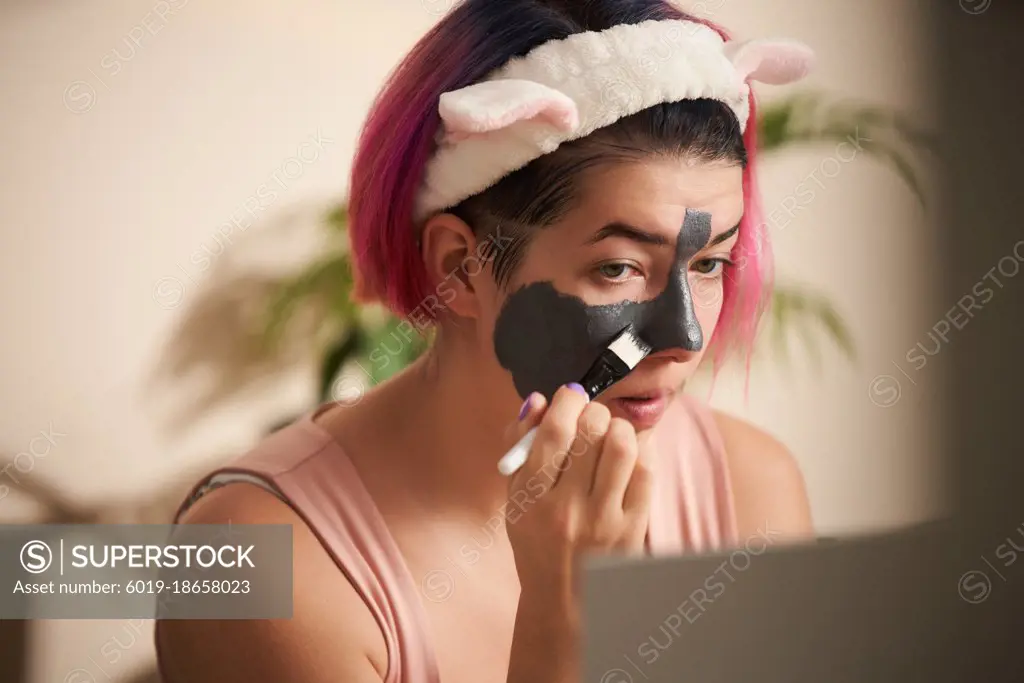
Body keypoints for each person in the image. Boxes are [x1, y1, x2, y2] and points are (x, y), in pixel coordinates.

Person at [155, 1, 816, 681]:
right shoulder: (252, 562)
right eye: (617, 267)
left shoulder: (750, 488)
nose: (685, 335)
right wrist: (569, 620)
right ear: (459, 268)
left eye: (708, 264)